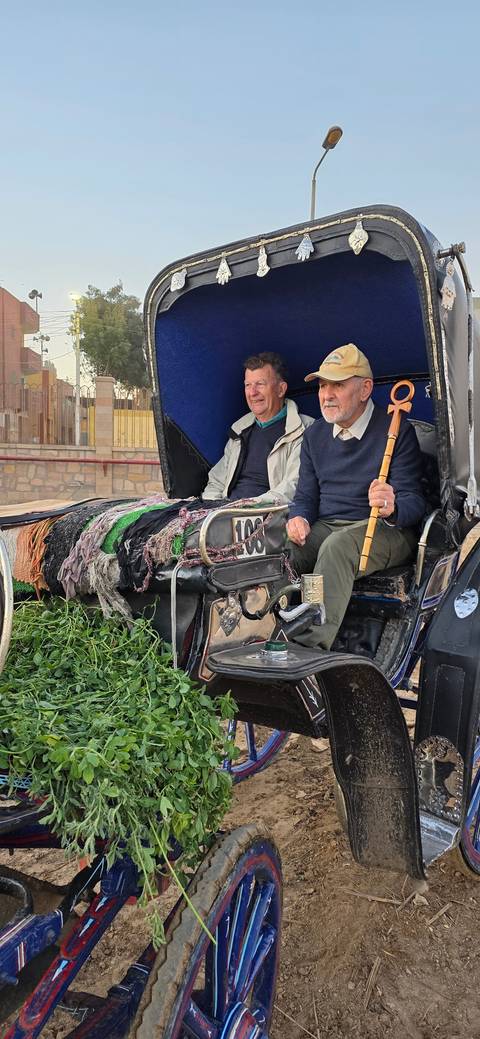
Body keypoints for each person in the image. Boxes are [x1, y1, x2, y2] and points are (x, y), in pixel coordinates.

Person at [286, 343, 426, 650]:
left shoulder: (396, 430)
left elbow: (416, 503)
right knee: (282, 549)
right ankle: (272, 629)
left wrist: (393, 503)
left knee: (335, 548)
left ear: (365, 389)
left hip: (386, 530)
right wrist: (297, 517)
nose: (326, 394)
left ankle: (310, 647)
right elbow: (306, 498)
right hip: (330, 525)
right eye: (323, 385)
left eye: (337, 385)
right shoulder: (314, 437)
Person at [202, 351, 314, 502]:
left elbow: (292, 487)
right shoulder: (239, 430)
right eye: (248, 385)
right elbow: (216, 481)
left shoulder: (305, 429)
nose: (252, 392)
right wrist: (212, 507)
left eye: (260, 384)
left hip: (269, 514)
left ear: (281, 389)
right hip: (225, 511)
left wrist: (247, 507)